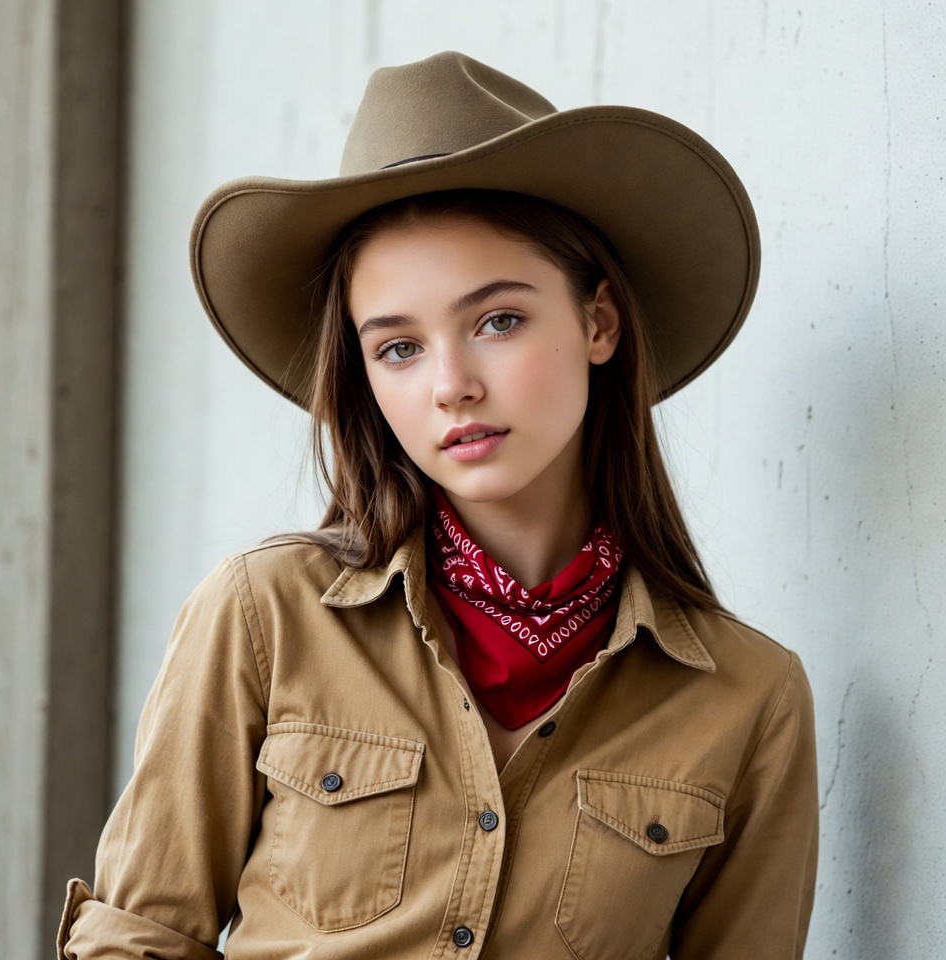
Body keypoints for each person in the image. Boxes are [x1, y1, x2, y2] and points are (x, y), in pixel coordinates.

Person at [58, 51, 818, 960]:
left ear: (598, 323)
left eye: (498, 321)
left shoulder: (747, 699)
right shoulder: (263, 617)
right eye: (399, 348)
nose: (452, 386)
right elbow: (138, 938)